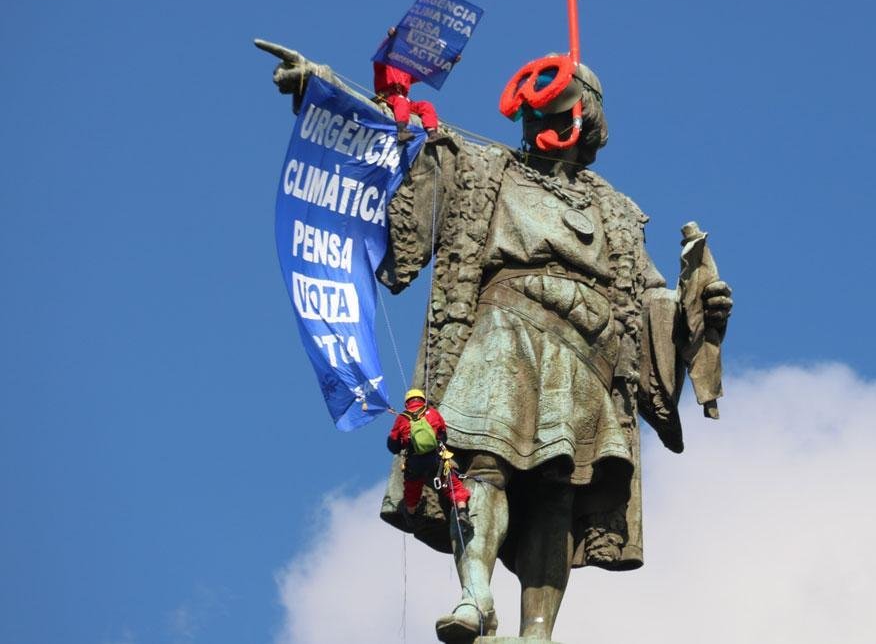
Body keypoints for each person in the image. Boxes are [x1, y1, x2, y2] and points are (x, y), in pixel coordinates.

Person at [257, 41, 733, 643]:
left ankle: (538, 634)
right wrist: (326, 95)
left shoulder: (616, 212)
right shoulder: (482, 169)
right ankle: (475, 593)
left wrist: (696, 311)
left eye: (554, 115)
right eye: (532, 116)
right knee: (485, 460)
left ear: (583, 121)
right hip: (504, 331)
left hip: (585, 356)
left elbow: (648, 309)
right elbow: (394, 140)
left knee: (559, 493)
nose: (539, 126)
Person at [386, 388, 470, 528]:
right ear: (422, 400)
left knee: (412, 490)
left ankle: (412, 516)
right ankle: (462, 511)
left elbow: (393, 445)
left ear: (407, 403)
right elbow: (443, 434)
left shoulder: (402, 418)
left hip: (415, 461)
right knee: (453, 485)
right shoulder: (433, 413)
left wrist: (404, 442)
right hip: (435, 458)